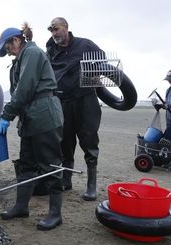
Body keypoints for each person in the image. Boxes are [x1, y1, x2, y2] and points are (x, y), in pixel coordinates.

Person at [0, 23, 64, 231]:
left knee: (50, 164)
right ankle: (21, 206)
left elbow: (24, 88)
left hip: (44, 115)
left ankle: (55, 213)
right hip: (31, 118)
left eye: (8, 48)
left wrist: (7, 114)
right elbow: (17, 90)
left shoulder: (32, 53)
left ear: (16, 40)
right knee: (26, 163)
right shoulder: (20, 60)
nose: (8, 53)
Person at [45, 17, 103, 201]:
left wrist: (96, 75)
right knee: (65, 142)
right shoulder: (51, 50)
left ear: (66, 28)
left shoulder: (84, 45)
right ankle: (66, 179)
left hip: (86, 100)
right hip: (62, 101)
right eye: (51, 30)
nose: (54, 34)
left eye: (56, 29)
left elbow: (102, 59)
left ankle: (91, 185)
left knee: (89, 140)